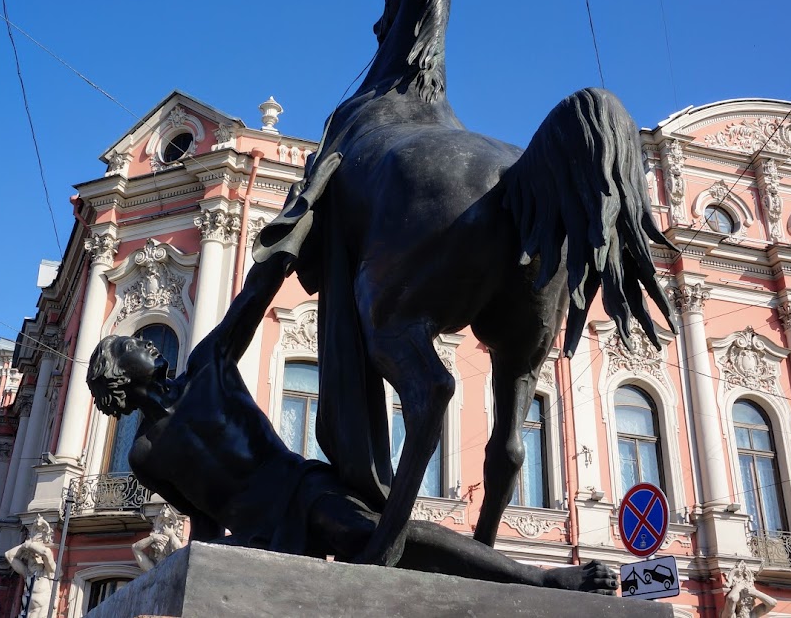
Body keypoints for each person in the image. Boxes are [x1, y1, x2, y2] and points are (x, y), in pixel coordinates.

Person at [85, 254, 617, 594]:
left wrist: (299, 226)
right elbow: (199, 517)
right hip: (254, 533)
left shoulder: (206, 368)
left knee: (378, 535)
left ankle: (541, 576)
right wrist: (197, 571)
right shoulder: (145, 455)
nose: (148, 343)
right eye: (131, 345)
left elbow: (255, 294)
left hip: (297, 489)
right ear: (118, 376)